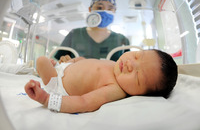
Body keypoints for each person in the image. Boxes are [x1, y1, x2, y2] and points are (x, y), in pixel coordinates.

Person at [24, 49, 178, 113]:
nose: (131, 64)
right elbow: (89, 62)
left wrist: (47, 99)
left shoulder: (115, 89)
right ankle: (57, 65)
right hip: (65, 68)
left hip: (58, 84)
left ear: (139, 94)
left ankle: (47, 73)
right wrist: (73, 61)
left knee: (41, 60)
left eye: (137, 76)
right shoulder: (116, 65)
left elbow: (84, 102)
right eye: (137, 56)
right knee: (49, 61)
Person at [54, 0, 130, 61]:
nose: (105, 11)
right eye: (99, 8)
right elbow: (60, 60)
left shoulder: (122, 40)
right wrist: (64, 61)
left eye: (110, 8)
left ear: (114, 11)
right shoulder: (74, 34)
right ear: (90, 9)